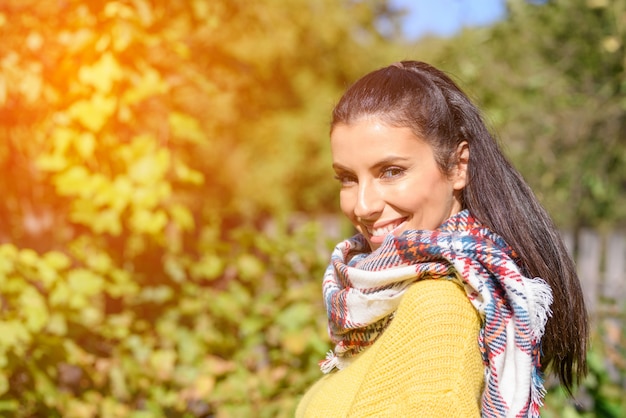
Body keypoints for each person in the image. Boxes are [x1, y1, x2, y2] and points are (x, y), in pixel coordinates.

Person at [296, 61, 588, 417]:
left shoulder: (438, 308)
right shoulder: (385, 300)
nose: (363, 205)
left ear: (458, 166)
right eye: (347, 178)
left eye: (391, 172)